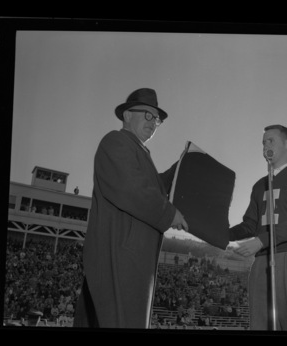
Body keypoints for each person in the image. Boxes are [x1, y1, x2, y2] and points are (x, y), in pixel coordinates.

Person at [73, 88, 188, 329]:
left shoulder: (137, 150)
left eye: (157, 119)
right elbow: (131, 188)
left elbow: (151, 185)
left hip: (133, 258)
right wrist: (170, 214)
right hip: (121, 256)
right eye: (147, 115)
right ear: (127, 115)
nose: (153, 123)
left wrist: (183, 167)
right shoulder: (115, 141)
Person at [229, 124, 287, 331]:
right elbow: (250, 224)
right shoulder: (259, 185)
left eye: (270, 141)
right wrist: (220, 233)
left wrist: (262, 240)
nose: (264, 146)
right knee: (261, 326)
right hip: (262, 261)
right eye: (263, 143)